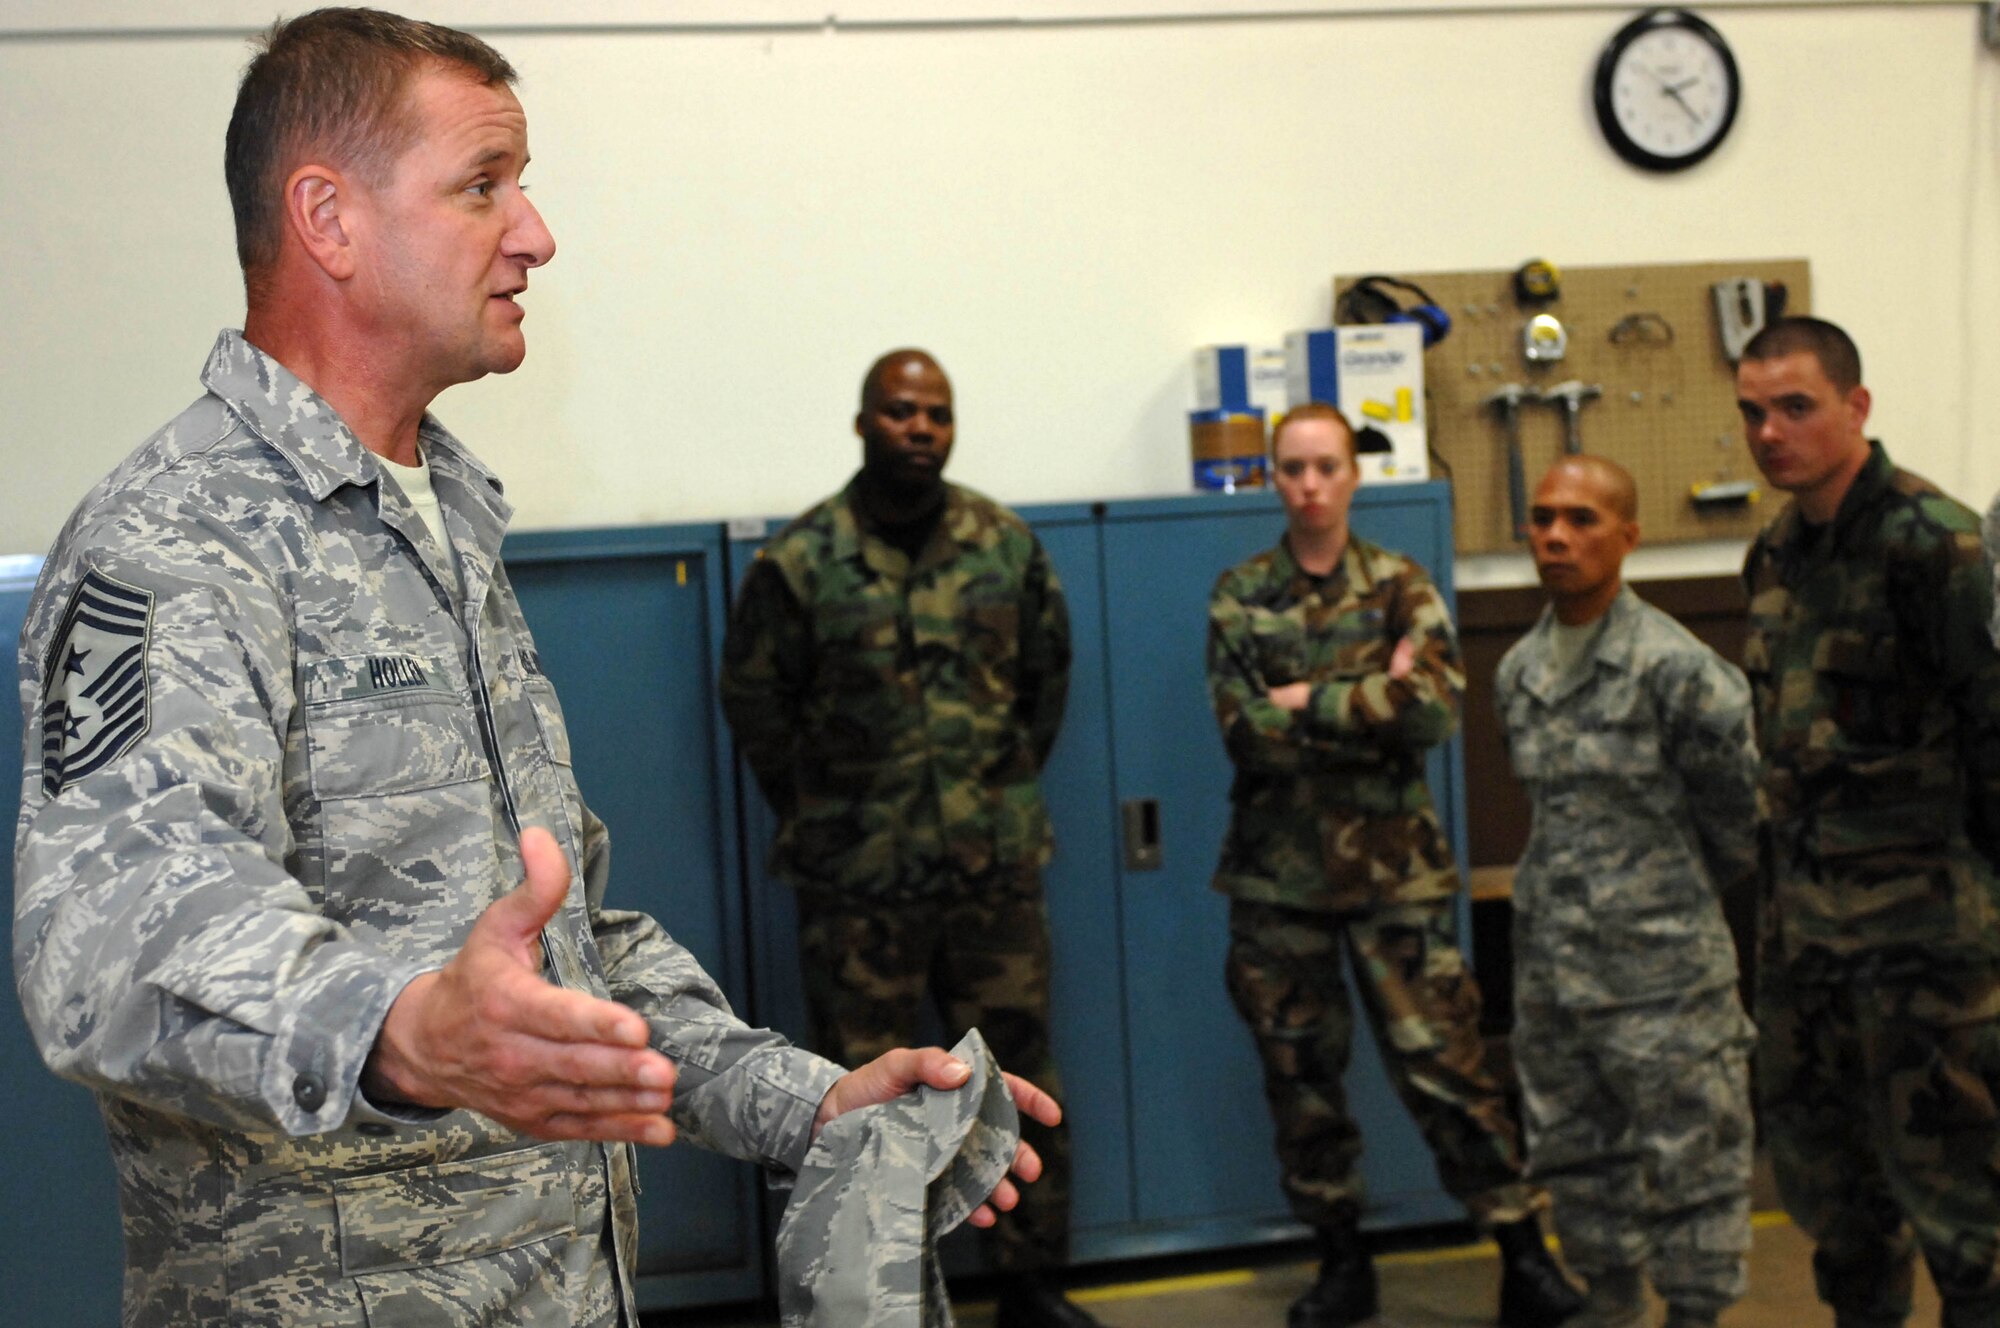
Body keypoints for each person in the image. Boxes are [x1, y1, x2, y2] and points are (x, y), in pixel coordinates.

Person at [11, 12, 1058, 1327]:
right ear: (328, 221)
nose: (536, 233)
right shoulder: (177, 542)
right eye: (482, 183)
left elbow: (569, 957)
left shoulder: (442, 529)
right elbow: (106, 943)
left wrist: (809, 1099)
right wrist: (404, 1030)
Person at [717, 348, 1092, 1328]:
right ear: (862, 424)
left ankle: (1028, 1281)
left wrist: (991, 793)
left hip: (989, 872)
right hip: (856, 886)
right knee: (861, 1094)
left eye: (935, 412)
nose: (918, 427)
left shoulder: (1002, 545)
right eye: (898, 411)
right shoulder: (801, 560)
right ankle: (868, 1301)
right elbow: (757, 705)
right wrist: (828, 814)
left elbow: (1043, 685)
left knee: (1019, 1074)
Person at [1205, 402, 1582, 1328]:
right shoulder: (1240, 594)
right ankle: (1342, 1266)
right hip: (1278, 884)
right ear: (1272, 477)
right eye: (1292, 468)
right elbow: (1245, 734)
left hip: (1395, 880)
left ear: (1353, 475)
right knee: (1302, 1084)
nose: (1310, 486)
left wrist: (1309, 699)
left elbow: (1436, 714)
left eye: (1327, 466)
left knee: (1448, 1071)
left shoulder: (1401, 583)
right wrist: (1375, 696)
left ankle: (1524, 1256)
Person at [1739, 315, 2000, 1325]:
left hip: (1924, 952)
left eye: (1794, 407)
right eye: (1753, 412)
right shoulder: (1772, 556)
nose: (1769, 432)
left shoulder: (1936, 543)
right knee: (1836, 1208)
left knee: (1962, 1213)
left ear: (1854, 407)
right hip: (1805, 948)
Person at [1496, 456, 1757, 1328]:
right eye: (1541, 519)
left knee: (1696, 1162)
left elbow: (1738, 820)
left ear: (1629, 537)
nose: (1556, 537)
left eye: (1581, 519)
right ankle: (1609, 1306)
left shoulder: (1679, 671)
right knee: (1574, 1158)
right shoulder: (1521, 670)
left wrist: (1664, 908)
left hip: (1665, 971)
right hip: (1557, 971)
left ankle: (1693, 1316)